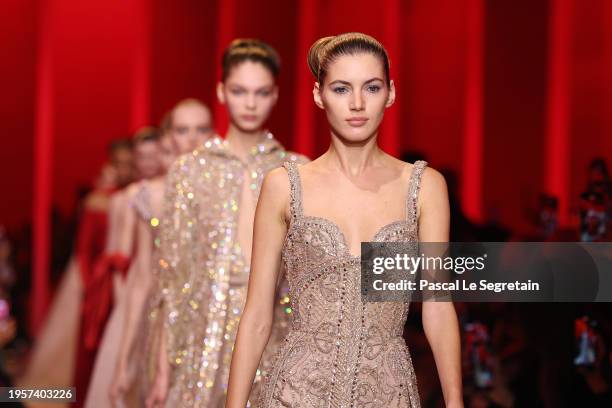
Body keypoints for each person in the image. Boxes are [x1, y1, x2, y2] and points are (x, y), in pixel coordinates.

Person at [226, 33, 463, 407]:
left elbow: (437, 306)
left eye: (371, 87)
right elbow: (257, 313)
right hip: (296, 392)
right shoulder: (285, 186)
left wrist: (455, 402)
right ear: (319, 95)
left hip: (387, 391)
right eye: (341, 89)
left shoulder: (424, 187)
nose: (356, 104)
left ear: (391, 92)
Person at [145, 39, 308, 408]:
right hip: (201, 337)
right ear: (221, 92)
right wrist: (162, 369)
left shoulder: (296, 169)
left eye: (261, 92)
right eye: (239, 91)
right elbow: (172, 277)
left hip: (277, 335)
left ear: (276, 95)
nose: (250, 103)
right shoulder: (189, 171)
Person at [104, 100, 214, 407]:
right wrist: (123, 358)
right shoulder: (149, 195)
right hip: (162, 322)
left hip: (213, 322)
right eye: (182, 130)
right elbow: (140, 278)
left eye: (201, 129)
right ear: (169, 137)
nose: (191, 139)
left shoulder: (227, 191)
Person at [18, 139, 133, 393]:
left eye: (129, 163)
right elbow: (83, 248)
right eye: (120, 163)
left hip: (124, 277)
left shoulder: (133, 196)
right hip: (96, 279)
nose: (124, 169)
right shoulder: (99, 199)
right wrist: (90, 281)